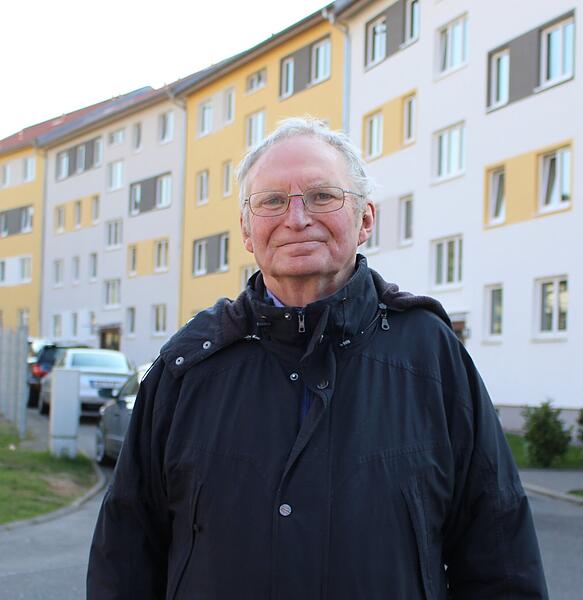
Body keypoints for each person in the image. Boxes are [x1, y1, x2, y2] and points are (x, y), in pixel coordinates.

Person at [87, 117, 548, 599]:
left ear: (365, 219)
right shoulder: (188, 366)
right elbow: (124, 557)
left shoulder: (431, 357)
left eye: (322, 196)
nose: (296, 218)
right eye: (271, 201)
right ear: (247, 230)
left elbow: (501, 561)